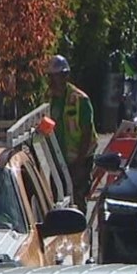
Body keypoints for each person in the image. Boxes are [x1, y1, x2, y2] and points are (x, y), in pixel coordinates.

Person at [47, 55, 96, 210]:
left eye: (58, 76)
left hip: (79, 160)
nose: (54, 81)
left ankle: (80, 232)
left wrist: (79, 164)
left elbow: (86, 134)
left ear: (65, 76)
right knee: (57, 200)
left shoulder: (80, 100)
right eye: (51, 76)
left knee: (77, 199)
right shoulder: (48, 100)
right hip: (58, 160)